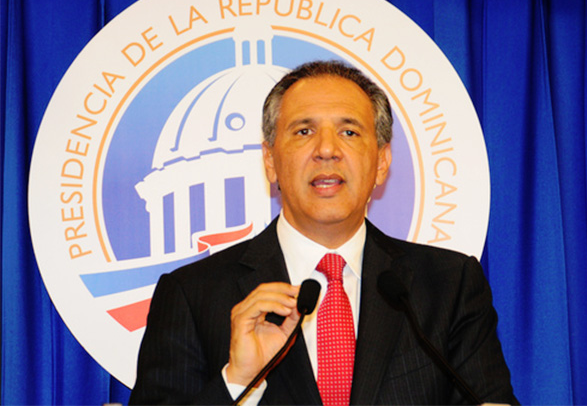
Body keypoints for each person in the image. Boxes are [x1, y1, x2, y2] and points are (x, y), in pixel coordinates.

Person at [129, 60, 518, 405]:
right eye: (303, 131)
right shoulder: (192, 294)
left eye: (349, 132)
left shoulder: (448, 286)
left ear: (382, 162)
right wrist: (238, 382)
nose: (327, 150)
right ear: (270, 160)